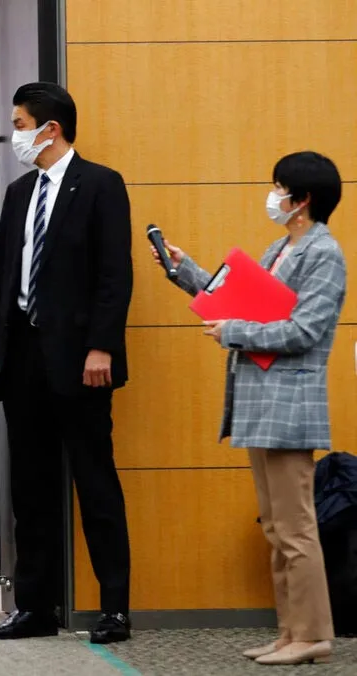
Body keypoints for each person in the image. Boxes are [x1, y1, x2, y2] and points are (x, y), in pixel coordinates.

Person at [153, 151, 344, 666]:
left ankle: (314, 635)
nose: (272, 196)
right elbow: (234, 300)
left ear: (302, 200)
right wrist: (184, 270)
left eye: (279, 188)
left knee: (297, 527)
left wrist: (233, 332)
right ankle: (291, 633)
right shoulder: (280, 248)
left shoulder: (324, 253)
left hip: (289, 404)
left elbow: (305, 331)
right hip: (260, 402)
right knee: (276, 525)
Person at [0, 82, 133, 644]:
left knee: (96, 484)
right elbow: (6, 284)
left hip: (82, 363)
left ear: (51, 129)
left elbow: (115, 276)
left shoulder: (102, 185)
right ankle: (34, 607)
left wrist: (102, 347)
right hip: (23, 365)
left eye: (19, 123)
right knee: (31, 491)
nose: (14, 133)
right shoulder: (17, 193)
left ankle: (114, 608)